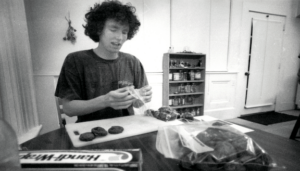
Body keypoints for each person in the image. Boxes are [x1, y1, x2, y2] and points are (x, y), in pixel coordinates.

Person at [55, 0, 152, 123]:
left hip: (127, 129)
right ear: (98, 29)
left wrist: (143, 97)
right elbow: (68, 109)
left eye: (124, 32)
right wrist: (105, 101)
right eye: (113, 29)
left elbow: (137, 104)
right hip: (90, 131)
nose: (120, 37)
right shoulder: (76, 60)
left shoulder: (133, 62)